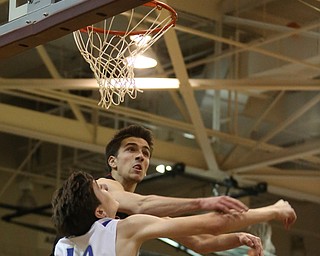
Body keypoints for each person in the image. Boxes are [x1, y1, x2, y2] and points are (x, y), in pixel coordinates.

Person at [52, 171, 297, 256]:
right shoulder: (125, 227)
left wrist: (237, 238)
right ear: (98, 210)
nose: (105, 186)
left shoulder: (63, 246)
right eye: (101, 188)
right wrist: (274, 210)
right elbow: (213, 223)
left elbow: (201, 242)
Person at [97, 124, 249, 217]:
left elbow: (201, 241)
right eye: (131, 149)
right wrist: (203, 202)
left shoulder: (142, 209)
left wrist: (239, 235)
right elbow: (140, 205)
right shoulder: (103, 186)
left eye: (145, 153)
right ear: (113, 161)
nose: (140, 156)